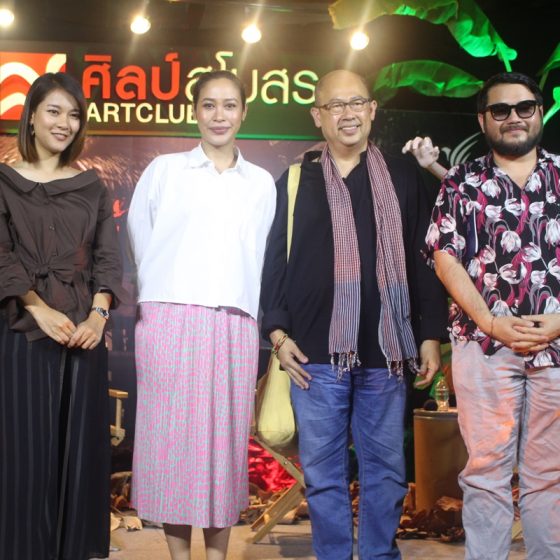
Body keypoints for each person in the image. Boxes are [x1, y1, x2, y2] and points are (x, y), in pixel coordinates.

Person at [260, 69, 448, 560]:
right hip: (314, 354)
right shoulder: (296, 181)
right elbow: (274, 262)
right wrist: (277, 332)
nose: (347, 113)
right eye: (335, 105)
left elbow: (426, 259)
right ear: (317, 116)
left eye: (356, 103)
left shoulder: (403, 177)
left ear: (372, 110)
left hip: (387, 352)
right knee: (323, 475)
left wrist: (430, 334)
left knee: (386, 472)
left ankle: (380, 554)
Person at [127, 70, 276, 560]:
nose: (219, 115)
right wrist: (165, 294)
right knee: (172, 444)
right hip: (169, 316)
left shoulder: (259, 183)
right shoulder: (166, 170)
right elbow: (141, 240)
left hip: (233, 320)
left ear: (243, 113)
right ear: (195, 111)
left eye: (229, 105)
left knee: (222, 448)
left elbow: (260, 255)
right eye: (209, 105)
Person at [424, 71, 560, 560]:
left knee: (552, 474)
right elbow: (445, 257)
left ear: (539, 113)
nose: (513, 118)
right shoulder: (461, 182)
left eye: (524, 107)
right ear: (483, 120)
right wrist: (491, 322)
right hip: (483, 346)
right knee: (485, 472)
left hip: (557, 348)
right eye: (500, 110)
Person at [0, 72, 125, 560]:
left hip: (83, 336)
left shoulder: (91, 186)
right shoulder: (3, 182)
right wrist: (38, 309)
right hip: (21, 333)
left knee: (79, 455)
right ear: (31, 116)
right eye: (54, 111)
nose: (64, 123)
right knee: (24, 454)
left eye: (74, 115)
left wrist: (97, 317)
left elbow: (108, 260)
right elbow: (2, 257)